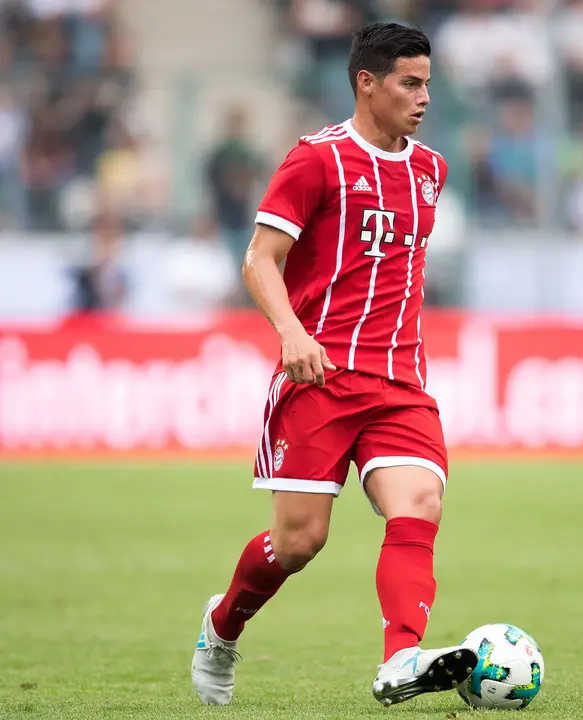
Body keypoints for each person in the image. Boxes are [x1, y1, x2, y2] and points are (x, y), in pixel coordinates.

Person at [190, 23, 477, 708]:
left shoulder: (431, 171)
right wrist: (292, 333)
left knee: (419, 503)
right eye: (410, 83)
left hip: (400, 381)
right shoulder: (315, 160)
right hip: (319, 378)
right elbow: (260, 258)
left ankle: (401, 658)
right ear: (366, 83)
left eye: (429, 83)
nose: (424, 97)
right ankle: (222, 627)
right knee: (298, 543)